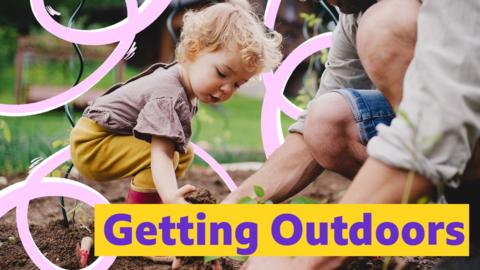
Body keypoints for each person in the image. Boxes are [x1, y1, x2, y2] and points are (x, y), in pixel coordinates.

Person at [233, 0, 480, 269]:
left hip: (454, 117)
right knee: (326, 119)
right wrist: (220, 222)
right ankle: (457, 222)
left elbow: (440, 122)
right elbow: (310, 133)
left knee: (386, 28)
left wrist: (304, 260)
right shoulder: (355, 10)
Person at [69, 0, 282, 205]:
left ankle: (150, 198)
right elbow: (160, 152)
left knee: (183, 152)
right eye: (222, 73)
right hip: (93, 144)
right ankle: (140, 221)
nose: (227, 88)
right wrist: (171, 196)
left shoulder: (182, 83)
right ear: (193, 49)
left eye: (237, 84)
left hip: (104, 137)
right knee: (165, 156)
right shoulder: (169, 95)